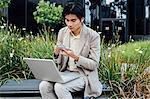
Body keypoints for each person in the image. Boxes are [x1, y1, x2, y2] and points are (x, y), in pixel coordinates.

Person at [39, 2, 102, 99]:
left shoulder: (93, 36)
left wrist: (75, 57)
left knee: (60, 87)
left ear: (82, 19)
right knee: (43, 86)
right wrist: (56, 54)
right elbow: (59, 62)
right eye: (67, 20)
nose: (69, 24)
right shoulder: (63, 32)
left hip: (83, 75)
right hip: (65, 73)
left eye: (73, 20)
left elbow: (94, 64)